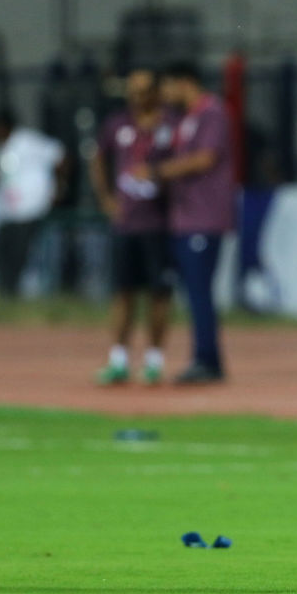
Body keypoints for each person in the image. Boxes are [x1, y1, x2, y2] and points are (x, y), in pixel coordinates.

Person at [135, 61, 236, 383]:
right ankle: (206, 359)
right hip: (183, 218)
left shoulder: (213, 113)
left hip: (203, 218)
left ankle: (207, 361)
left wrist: (156, 173)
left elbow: (205, 158)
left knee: (199, 293)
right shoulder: (182, 119)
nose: (164, 94)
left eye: (167, 86)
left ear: (185, 82)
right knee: (192, 293)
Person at [90, 68, 177, 385]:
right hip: (126, 224)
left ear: (155, 93)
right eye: (132, 92)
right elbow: (97, 157)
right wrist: (106, 199)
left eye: (142, 92)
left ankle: (154, 361)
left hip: (160, 223)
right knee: (123, 293)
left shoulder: (170, 125)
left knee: (159, 293)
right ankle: (118, 360)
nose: (136, 99)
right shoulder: (117, 124)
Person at [0, 108, 68, 299]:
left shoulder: (26, 141)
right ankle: (5, 294)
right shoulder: (2, 149)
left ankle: (12, 294)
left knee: (18, 255)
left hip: (32, 209)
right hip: (11, 212)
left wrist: (58, 187)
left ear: (4, 126)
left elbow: (60, 154)